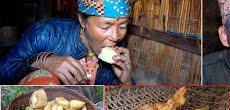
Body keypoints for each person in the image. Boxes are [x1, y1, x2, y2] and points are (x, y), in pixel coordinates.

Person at [0, 0, 132, 85]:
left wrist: (126, 81)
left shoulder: (116, 53)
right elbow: (4, 71)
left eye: (122, 27)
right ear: (82, 20)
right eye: (105, 27)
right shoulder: (46, 33)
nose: (115, 36)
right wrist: (42, 61)